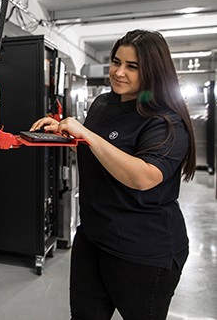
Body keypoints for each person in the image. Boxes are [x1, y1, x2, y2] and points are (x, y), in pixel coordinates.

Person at [31, 30, 195, 320]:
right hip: (93, 237)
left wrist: (87, 135)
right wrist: (64, 133)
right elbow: (98, 148)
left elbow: (144, 177)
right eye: (116, 62)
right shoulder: (104, 104)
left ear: (154, 70)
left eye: (132, 67)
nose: (118, 73)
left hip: (143, 250)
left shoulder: (165, 120)